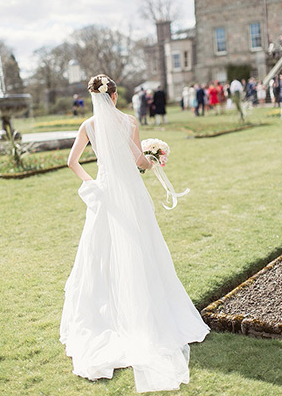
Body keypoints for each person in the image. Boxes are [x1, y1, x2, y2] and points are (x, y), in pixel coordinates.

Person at [60, 74, 210, 394]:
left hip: (106, 194)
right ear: (113, 97)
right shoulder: (128, 122)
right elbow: (137, 159)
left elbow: (71, 161)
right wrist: (155, 157)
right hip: (131, 193)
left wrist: (91, 184)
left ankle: (107, 314)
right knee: (142, 247)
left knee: (100, 253)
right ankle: (145, 309)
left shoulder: (88, 126)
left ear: (95, 98)